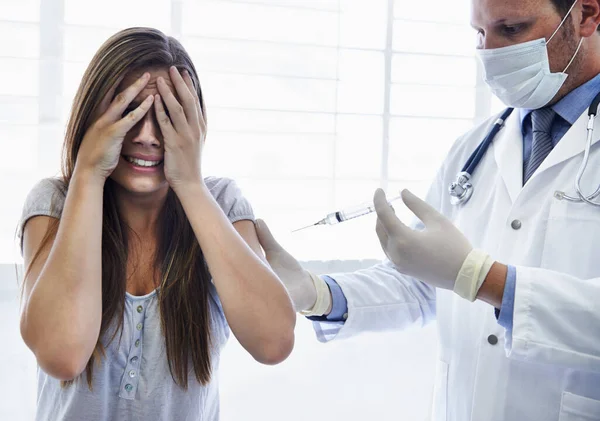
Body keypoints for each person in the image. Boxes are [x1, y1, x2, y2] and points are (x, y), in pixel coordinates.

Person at [255, 0, 600, 419]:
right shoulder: (477, 147)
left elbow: (463, 276)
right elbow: (425, 285)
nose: (489, 52)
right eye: (480, 32)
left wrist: (480, 279)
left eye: (510, 29)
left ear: (587, 15)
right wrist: (321, 294)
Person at [17, 27, 295, 421]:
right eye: (130, 114)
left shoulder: (221, 202)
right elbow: (62, 355)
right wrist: (88, 173)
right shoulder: (56, 203)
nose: (147, 136)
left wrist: (191, 185)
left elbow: (273, 343)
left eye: (167, 118)